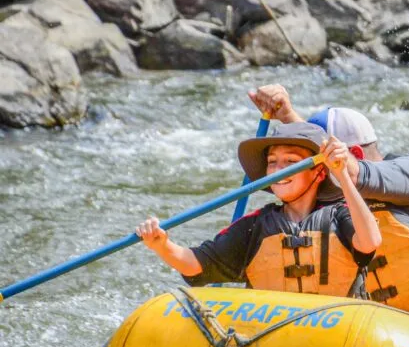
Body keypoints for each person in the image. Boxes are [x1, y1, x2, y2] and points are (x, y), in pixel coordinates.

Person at [247, 85, 409, 321]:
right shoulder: (341, 200)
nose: (318, 172)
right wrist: (288, 116)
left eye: (321, 162)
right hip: (390, 325)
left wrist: (334, 160)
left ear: (354, 154)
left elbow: (352, 174)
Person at [136, 122, 381, 295]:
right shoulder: (255, 226)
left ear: (318, 172)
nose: (278, 170)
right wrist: (161, 245)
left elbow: (370, 241)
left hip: (340, 337)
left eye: (291, 162)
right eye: (272, 162)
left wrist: (342, 176)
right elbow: (196, 263)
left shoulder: (340, 215)